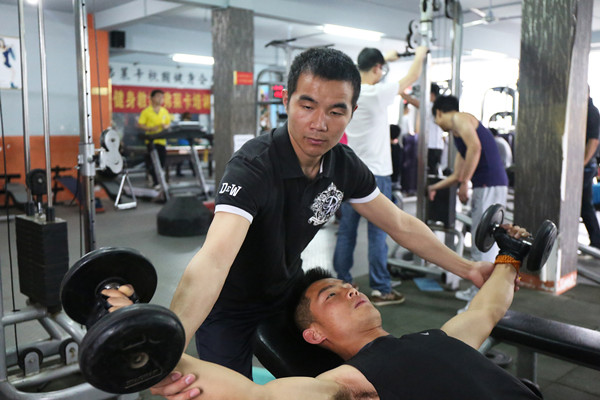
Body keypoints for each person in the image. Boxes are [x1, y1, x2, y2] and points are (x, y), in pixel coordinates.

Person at [149, 47, 494, 382]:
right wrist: (170, 343)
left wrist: (469, 268)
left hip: (288, 293)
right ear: (287, 101)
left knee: (336, 385)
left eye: (335, 111)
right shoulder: (252, 167)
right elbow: (213, 261)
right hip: (228, 303)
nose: (319, 124)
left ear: (352, 112)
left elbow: (400, 224)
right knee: (225, 392)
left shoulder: (343, 165)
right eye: (307, 105)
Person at [136, 224, 539, 400]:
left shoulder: (440, 337)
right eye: (332, 295)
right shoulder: (349, 382)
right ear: (314, 334)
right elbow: (256, 395)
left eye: (349, 287)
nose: (351, 291)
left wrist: (509, 256)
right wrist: (149, 347)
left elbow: (487, 309)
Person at [333, 46, 427, 306]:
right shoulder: (376, 93)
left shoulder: (350, 91)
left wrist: (385, 58)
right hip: (376, 175)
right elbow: (411, 77)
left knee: (346, 232)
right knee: (378, 233)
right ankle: (381, 289)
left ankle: (342, 282)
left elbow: (362, 69)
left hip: (351, 173)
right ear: (377, 68)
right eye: (381, 69)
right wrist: (420, 53)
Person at [428, 95, 508, 304]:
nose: (437, 123)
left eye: (435, 119)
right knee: (483, 238)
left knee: (483, 240)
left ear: (439, 113)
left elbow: (476, 148)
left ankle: (482, 298)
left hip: (489, 184)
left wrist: (466, 183)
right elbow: (457, 174)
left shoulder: (460, 118)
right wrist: (434, 187)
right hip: (487, 185)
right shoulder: (457, 135)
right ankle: (481, 292)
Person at [401, 82, 446, 175]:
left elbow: (413, 101)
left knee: (428, 173)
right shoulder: (440, 107)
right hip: (438, 147)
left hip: (430, 147)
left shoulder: (431, 106)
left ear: (431, 94)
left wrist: (400, 91)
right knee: (433, 172)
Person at [138, 89, 172, 189]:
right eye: (158, 96)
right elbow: (140, 124)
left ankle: (160, 182)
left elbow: (168, 124)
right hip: (151, 141)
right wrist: (150, 128)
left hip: (162, 141)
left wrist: (165, 126)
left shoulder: (164, 111)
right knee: (153, 162)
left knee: (161, 162)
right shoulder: (146, 111)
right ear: (152, 98)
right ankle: (156, 182)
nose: (160, 99)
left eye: (162, 97)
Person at [582, 90, 600, 249]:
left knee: (583, 205)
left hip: (586, 167)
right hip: (584, 166)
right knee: (584, 205)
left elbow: (594, 141)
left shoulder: (591, 112)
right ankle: (596, 241)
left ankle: (596, 241)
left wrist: (582, 164)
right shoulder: (581, 110)